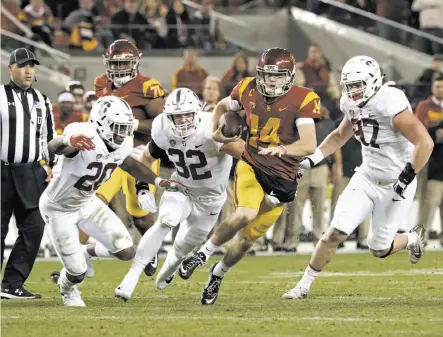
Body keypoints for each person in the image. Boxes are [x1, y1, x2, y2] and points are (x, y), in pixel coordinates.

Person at [282, 55, 434, 300]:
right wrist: (312, 159)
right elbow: (340, 135)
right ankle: (303, 286)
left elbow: (425, 142)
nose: (352, 92)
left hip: (396, 183)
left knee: (379, 248)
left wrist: (406, 177)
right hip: (366, 177)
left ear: (373, 81)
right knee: (335, 233)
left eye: (357, 85)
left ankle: (411, 238)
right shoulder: (350, 103)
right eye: (348, 86)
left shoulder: (390, 101)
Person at [179, 47, 321, 305]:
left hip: (284, 179)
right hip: (253, 163)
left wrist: (284, 149)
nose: (270, 80)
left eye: (277, 76)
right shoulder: (247, 88)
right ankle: (202, 254)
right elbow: (223, 105)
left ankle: (217, 274)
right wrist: (216, 132)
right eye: (266, 74)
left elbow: (309, 143)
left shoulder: (303, 98)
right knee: (244, 213)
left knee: (245, 241)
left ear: (289, 76)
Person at [40, 96, 184, 307]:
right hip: (58, 208)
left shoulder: (122, 143)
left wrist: (157, 180)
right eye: (117, 127)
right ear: (100, 123)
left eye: (125, 127)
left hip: (87, 203)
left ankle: (85, 251)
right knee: (77, 273)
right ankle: (66, 286)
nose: (122, 133)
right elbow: (55, 146)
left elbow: (128, 164)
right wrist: (67, 141)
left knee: (126, 251)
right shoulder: (83, 134)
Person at [113, 88, 244, 301]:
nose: (182, 120)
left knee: (182, 247)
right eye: (176, 115)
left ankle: (171, 266)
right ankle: (131, 278)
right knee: (166, 220)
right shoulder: (163, 128)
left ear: (197, 112)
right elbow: (146, 158)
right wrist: (142, 187)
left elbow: (246, 155)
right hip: (181, 187)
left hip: (211, 200)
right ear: (167, 115)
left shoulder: (212, 127)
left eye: (187, 114)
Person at [92, 39, 166, 276]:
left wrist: (132, 123)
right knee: (93, 203)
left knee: (141, 218)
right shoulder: (101, 83)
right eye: (116, 63)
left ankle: (150, 250)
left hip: (138, 155)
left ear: (135, 63)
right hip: (110, 155)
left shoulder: (148, 87)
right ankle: (79, 258)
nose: (120, 68)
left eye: (125, 63)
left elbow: (162, 124)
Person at [1, 48, 55, 300]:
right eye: (22, 65)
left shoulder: (43, 100)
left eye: (31, 65)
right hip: (2, 170)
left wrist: (49, 164)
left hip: (31, 172)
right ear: (10, 68)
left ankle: (12, 283)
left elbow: (48, 138)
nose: (28, 70)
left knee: (34, 227)